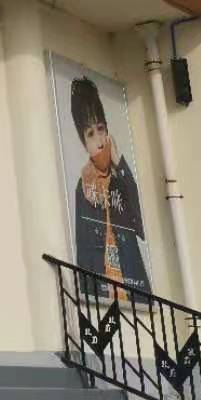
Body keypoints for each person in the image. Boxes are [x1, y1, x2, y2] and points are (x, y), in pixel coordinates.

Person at [68, 76, 149, 290]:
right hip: (104, 293)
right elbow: (84, 254)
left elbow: (141, 226)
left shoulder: (120, 179)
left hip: (135, 292)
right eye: (90, 134)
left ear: (108, 132)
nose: (98, 140)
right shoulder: (83, 188)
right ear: (84, 143)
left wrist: (120, 163)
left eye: (101, 128)